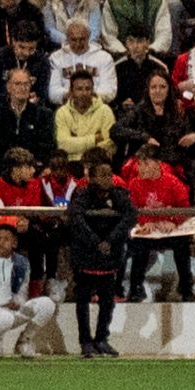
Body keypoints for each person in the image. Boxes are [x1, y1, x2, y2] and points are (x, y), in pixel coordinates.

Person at [64, 151, 133, 355]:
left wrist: (110, 240)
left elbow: (130, 215)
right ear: (91, 177)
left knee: (107, 301)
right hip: (85, 254)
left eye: (109, 175)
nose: (107, 179)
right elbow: (76, 218)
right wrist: (95, 242)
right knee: (83, 300)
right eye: (102, 175)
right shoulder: (82, 194)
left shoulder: (118, 195)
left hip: (109, 256)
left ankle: (102, 338)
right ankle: (85, 341)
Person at [0, 221, 57, 359]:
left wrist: (17, 301)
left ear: (14, 243)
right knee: (5, 317)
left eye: (6, 239)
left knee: (47, 304)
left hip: (15, 310)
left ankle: (24, 340)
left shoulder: (22, 263)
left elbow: (23, 291)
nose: (1, 243)